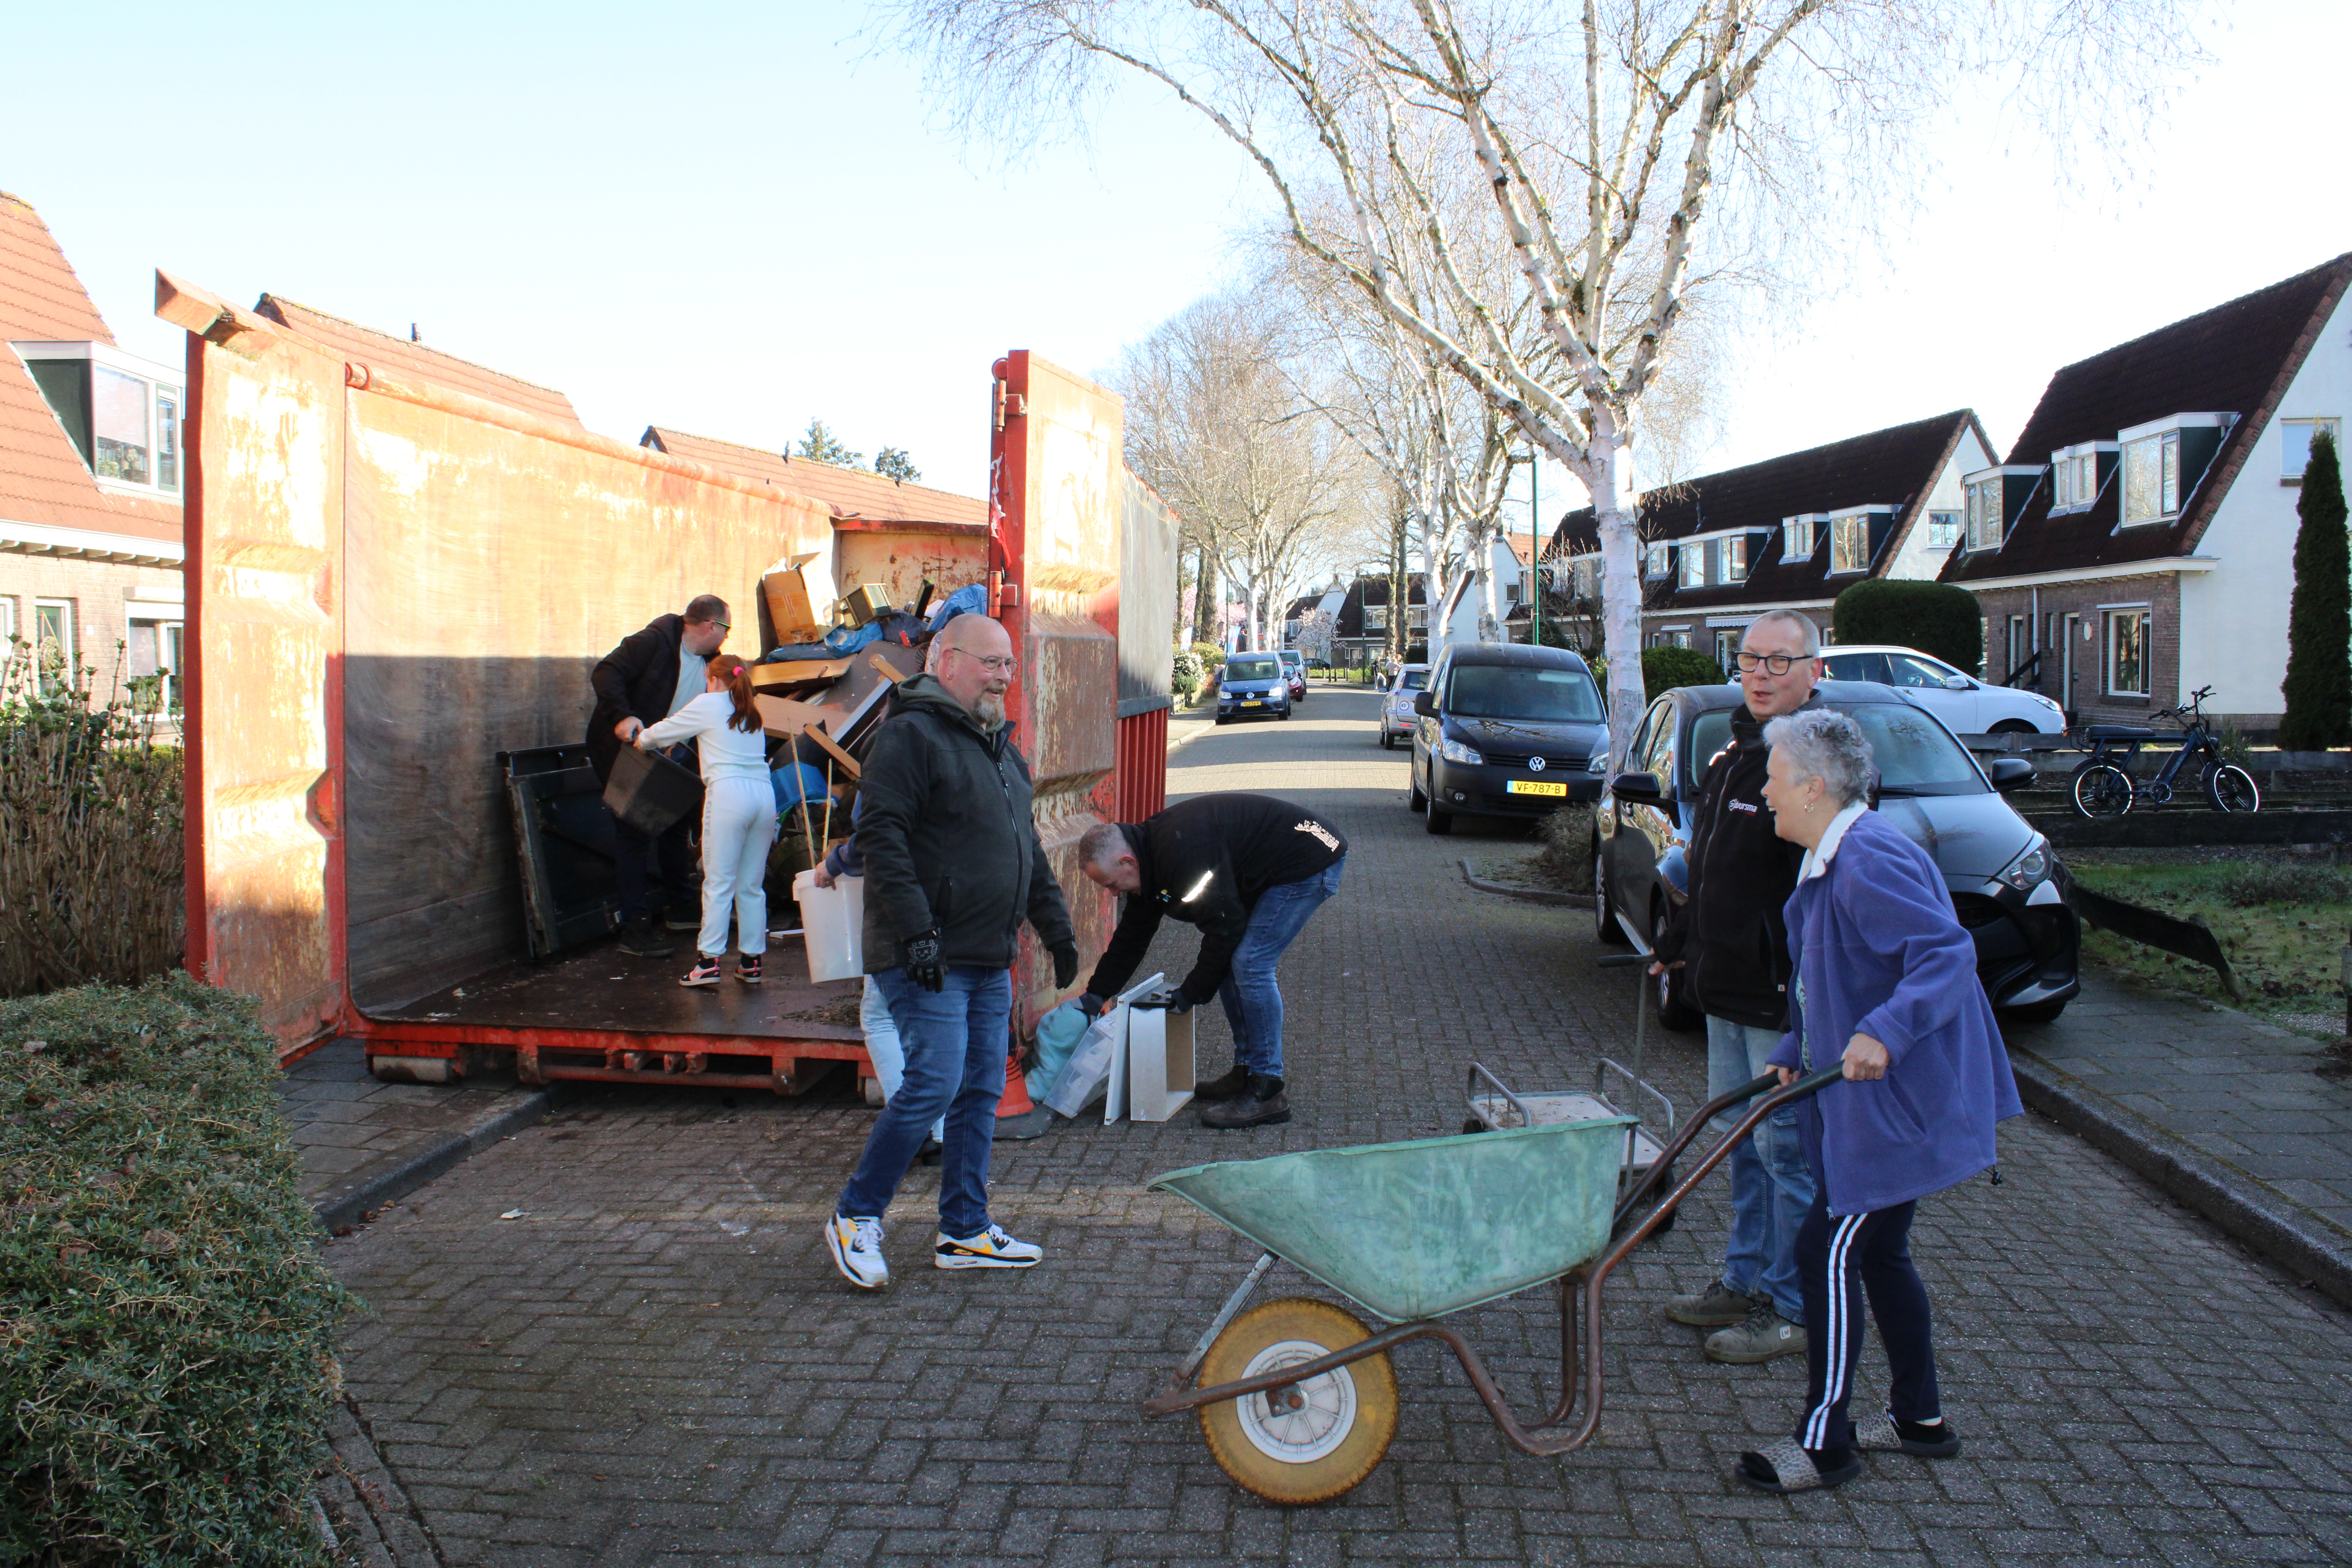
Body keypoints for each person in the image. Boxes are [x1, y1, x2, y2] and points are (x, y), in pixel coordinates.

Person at [1735, 707, 2022, 1494]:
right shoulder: (1833, 856)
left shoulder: (1868, 856)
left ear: (1815, 787)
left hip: (1899, 1104)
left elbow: (1945, 953)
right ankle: (1920, 1419)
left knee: (1825, 1251)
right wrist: (1796, 1048)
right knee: (1883, 1252)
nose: (1766, 793)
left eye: (1775, 778)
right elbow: (1830, 978)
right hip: (1874, 1103)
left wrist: (1886, 1032)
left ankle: (1824, 1443)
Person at [825, 613, 1079, 1290]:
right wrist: (917, 932)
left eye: (1009, 665)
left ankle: (964, 1230)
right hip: (925, 954)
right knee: (934, 1084)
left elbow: (1026, 851)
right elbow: (882, 837)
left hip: (986, 955)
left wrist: (1057, 929)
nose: (1004, 677)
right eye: (991, 663)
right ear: (946, 662)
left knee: (979, 1089)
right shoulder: (909, 736)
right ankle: (855, 1215)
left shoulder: (999, 749)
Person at [1652, 608, 1825, 1365]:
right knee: (1741, 1146)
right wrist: (1679, 943)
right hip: (1724, 991)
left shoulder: (1818, 764)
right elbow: (1711, 865)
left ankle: (1793, 1308)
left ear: (1814, 671)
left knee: (1788, 1156)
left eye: (1779, 661)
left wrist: (1802, 1004)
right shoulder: (1735, 758)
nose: (1760, 673)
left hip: (1778, 1003)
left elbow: (1825, 899)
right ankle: (1743, 1280)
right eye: (1750, 658)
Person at [1073, 792, 1347, 1130]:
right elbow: (1133, 935)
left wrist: (1190, 993)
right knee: (1234, 962)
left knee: (1250, 963)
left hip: (1309, 858)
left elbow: (1225, 929)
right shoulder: (1150, 862)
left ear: (1128, 862)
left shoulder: (1183, 856)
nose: (1114, 894)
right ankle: (1247, 1071)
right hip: (1270, 862)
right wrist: (1097, 994)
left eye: (1112, 885)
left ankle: (1267, 1089)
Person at [587, 595, 733, 956]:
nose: (728, 637)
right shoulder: (655, 642)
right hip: (625, 750)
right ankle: (635, 929)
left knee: (676, 823)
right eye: (726, 629)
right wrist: (622, 716)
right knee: (634, 830)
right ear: (711, 626)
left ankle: (681, 907)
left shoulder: (709, 663)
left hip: (668, 755)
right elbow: (606, 672)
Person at [631, 653, 775, 986]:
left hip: (728, 795)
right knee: (751, 886)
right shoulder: (752, 712)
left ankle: (708, 963)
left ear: (713, 679)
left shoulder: (708, 703)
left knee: (718, 883)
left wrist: (641, 739)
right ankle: (751, 962)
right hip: (764, 796)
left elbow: (661, 734)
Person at [813, 804, 944, 1163]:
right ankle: (943, 1131)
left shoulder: (890, 771)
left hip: (902, 912)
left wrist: (835, 862)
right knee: (940, 1021)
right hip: (953, 904)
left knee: (881, 1017)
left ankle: (912, 1128)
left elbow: (875, 834)